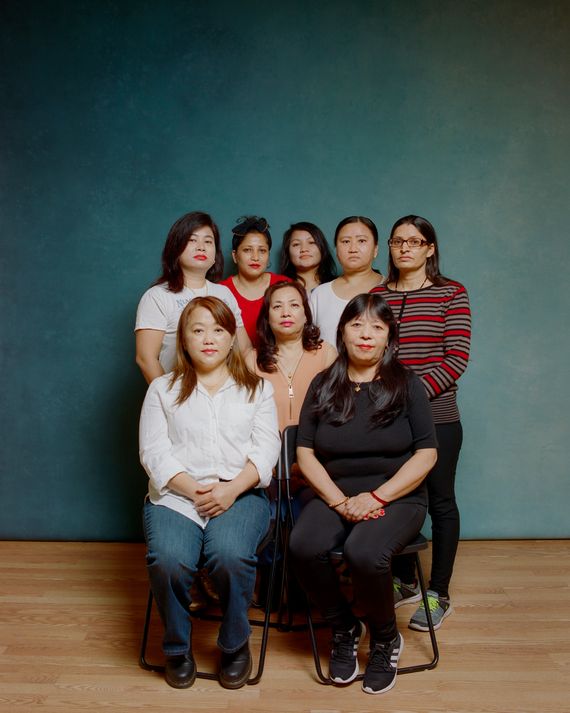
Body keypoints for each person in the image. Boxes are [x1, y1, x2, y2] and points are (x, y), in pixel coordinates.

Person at [289, 293, 437, 695]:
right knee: (302, 545)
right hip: (335, 492)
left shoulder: (407, 384)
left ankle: (386, 637)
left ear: (389, 336)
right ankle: (344, 626)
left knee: (364, 552)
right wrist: (338, 500)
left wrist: (378, 497)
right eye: (357, 325)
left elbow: (427, 453)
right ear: (343, 332)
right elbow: (304, 451)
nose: (366, 334)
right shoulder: (323, 383)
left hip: (398, 497)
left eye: (376, 326)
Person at [139, 297, 280, 690]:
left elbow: (266, 451)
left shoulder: (257, 390)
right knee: (168, 559)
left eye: (218, 329)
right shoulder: (162, 390)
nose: (208, 338)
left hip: (240, 493)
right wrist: (197, 489)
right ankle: (177, 648)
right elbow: (153, 452)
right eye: (197, 329)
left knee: (230, 555)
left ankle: (235, 645)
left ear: (232, 336)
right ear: (182, 340)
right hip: (176, 495)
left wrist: (230, 489)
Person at [370, 215, 471, 632]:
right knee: (395, 499)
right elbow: (367, 350)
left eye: (415, 241)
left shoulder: (452, 294)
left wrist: (408, 395)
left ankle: (438, 592)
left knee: (441, 501)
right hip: (388, 420)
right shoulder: (376, 294)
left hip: (438, 418)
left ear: (430, 248)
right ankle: (406, 580)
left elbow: (456, 358)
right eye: (397, 241)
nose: (405, 248)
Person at [135, 211, 250, 384]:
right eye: (192, 240)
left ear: (215, 254)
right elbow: (146, 359)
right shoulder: (157, 297)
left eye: (208, 241)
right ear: (176, 247)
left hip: (225, 397)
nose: (201, 247)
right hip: (179, 397)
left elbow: (244, 349)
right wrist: (170, 401)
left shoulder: (224, 294)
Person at [249, 280, 336, 432]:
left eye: (294, 305)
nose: (286, 313)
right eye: (277, 306)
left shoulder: (327, 354)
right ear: (267, 318)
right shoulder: (252, 361)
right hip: (269, 450)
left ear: (306, 315)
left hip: (317, 449)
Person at [310, 216, 383, 344]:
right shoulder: (320, 294)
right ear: (336, 250)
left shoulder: (392, 289)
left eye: (361, 241)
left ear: (375, 249)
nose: (353, 249)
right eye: (345, 242)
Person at [220, 216, 290, 344]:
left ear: (268, 255)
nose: (255, 257)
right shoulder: (220, 292)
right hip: (234, 363)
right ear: (235, 256)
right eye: (247, 250)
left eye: (262, 251)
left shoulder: (285, 286)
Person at [279, 221, 337, 292]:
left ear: (322, 248)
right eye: (296, 244)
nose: (304, 249)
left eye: (311, 242)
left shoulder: (338, 285)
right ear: (287, 252)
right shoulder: (278, 288)